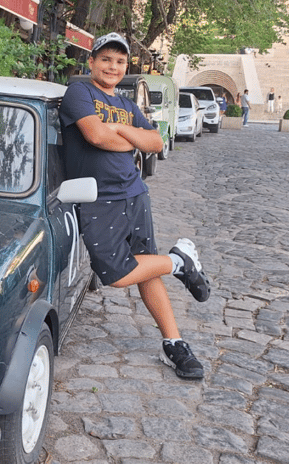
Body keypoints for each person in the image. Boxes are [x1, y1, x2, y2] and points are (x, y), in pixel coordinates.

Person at [59, 32, 211, 380]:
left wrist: (118, 128)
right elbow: (95, 137)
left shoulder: (127, 105)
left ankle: (174, 343)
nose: (113, 67)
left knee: (147, 267)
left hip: (134, 193)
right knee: (115, 274)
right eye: (106, 59)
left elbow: (155, 142)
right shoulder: (79, 92)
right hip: (98, 196)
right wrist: (128, 136)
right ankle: (179, 261)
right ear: (92, 61)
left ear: (126, 66)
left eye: (120, 61)